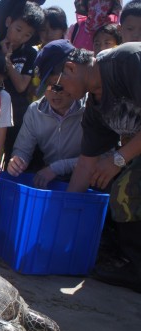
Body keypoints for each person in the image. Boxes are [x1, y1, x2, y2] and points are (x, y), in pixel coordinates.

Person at [35, 39, 141, 292]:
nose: (59, 92)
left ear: (71, 68)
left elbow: (117, 160)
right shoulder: (94, 109)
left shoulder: (127, 61)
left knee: (126, 188)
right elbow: (85, 166)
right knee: (112, 185)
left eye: (57, 84)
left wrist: (118, 159)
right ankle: (130, 263)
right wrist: (59, 227)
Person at [7, 71, 85, 188]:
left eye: (59, 87)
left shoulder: (90, 108)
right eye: (49, 85)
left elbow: (103, 158)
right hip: (51, 180)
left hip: (87, 180)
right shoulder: (34, 111)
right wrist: (17, 162)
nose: (54, 92)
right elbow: (22, 150)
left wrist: (57, 168)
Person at [0, 1, 44, 163]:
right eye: (18, 29)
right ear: (8, 22)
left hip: (19, 115)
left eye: (27, 35)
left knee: (13, 159)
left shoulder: (30, 53)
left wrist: (7, 61)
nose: (21, 37)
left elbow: (21, 86)